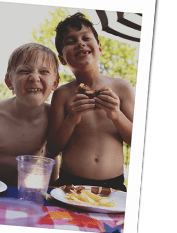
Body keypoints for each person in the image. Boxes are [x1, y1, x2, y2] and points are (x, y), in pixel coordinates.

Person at [46, 13, 135, 191]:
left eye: (86, 37)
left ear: (99, 48)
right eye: (70, 41)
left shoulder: (122, 88)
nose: (80, 43)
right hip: (69, 184)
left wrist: (116, 116)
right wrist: (71, 119)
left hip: (113, 186)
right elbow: (53, 149)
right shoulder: (62, 94)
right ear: (62, 59)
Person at [0, 43, 60, 186]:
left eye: (44, 72)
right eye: (24, 71)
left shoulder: (53, 117)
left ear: (55, 82)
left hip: (22, 193)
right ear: (9, 82)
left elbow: (51, 158)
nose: (34, 77)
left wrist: (52, 190)